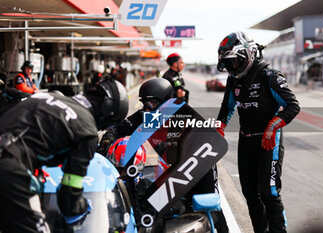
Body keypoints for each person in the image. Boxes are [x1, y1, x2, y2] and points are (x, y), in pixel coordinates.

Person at [97, 78, 228, 232]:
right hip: (171, 171)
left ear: (165, 102)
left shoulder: (185, 116)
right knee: (149, 208)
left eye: (151, 104)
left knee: (213, 210)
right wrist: (106, 141)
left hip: (199, 166)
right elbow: (117, 129)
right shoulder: (146, 115)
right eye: (144, 103)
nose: (146, 109)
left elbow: (207, 141)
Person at [0, 77, 128, 233]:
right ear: (108, 114)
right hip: (10, 170)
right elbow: (69, 197)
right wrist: (80, 208)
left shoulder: (48, 96)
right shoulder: (87, 131)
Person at [216, 32, 300, 233]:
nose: (232, 67)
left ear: (248, 54)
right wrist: (218, 128)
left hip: (268, 141)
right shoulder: (233, 80)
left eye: (235, 62)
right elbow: (227, 108)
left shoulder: (270, 77)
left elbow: (292, 106)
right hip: (246, 141)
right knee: (250, 194)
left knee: (268, 192)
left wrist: (272, 126)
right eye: (228, 63)